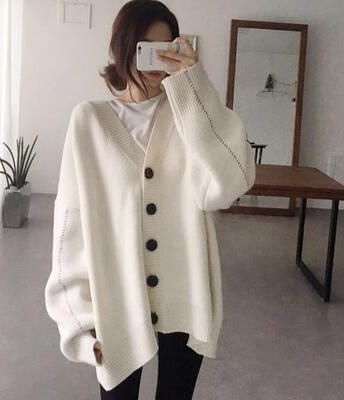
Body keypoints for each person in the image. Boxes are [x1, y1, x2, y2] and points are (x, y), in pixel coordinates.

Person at [44, 0, 256, 399]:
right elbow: (71, 226)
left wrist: (194, 87)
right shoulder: (89, 120)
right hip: (116, 303)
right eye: (145, 48)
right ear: (122, 48)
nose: (155, 62)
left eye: (165, 49)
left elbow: (231, 182)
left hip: (186, 295)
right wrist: (78, 317)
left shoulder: (191, 118)